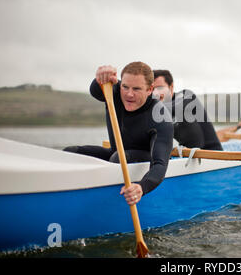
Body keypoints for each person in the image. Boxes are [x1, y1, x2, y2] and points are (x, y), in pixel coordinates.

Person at [64, 62, 174, 206]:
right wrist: (101, 77)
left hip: (145, 158)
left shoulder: (160, 117)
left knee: (118, 157)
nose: (129, 94)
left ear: (149, 90)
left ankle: (101, 203)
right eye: (125, 87)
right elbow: (95, 90)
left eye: (136, 89)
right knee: (70, 153)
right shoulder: (113, 91)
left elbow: (159, 164)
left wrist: (141, 187)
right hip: (116, 153)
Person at [152, 69, 223, 150]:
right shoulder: (159, 110)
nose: (155, 93)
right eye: (152, 89)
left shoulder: (187, 96)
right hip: (190, 157)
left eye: (159, 88)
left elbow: (171, 107)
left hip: (214, 156)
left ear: (171, 87)